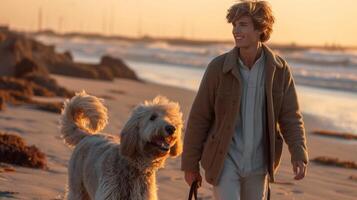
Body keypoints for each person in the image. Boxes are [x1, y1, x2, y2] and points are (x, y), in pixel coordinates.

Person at [181, 1, 308, 199]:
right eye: (234, 25)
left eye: (243, 24)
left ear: (260, 28)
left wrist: (298, 154)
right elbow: (199, 117)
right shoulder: (218, 68)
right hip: (224, 161)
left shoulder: (279, 70)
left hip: (259, 164)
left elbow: (290, 117)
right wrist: (190, 164)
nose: (235, 31)